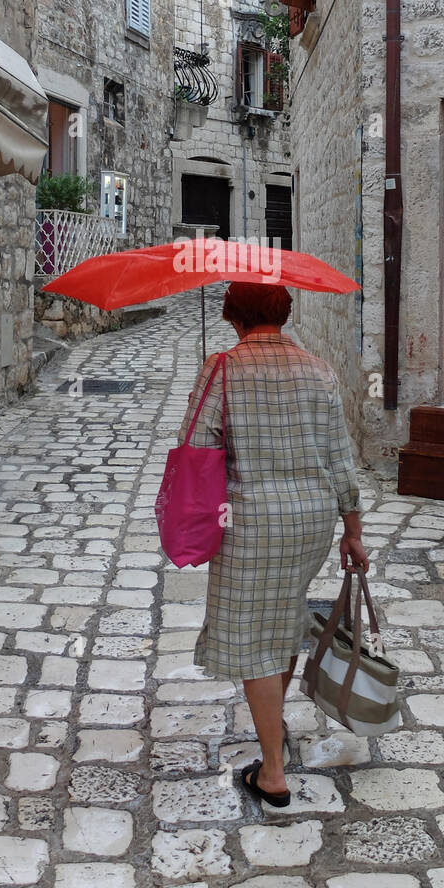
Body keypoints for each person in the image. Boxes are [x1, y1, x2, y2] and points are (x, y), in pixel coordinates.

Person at [175, 281, 367, 808]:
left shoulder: (222, 368)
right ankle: (271, 726)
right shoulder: (319, 370)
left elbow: (194, 446)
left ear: (232, 314)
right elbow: (340, 458)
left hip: (250, 521)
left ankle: (274, 775)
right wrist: (353, 531)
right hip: (312, 521)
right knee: (282, 622)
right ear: (285, 312)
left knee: (257, 639)